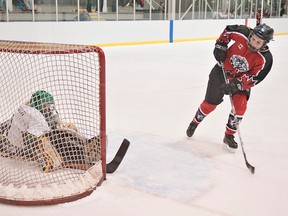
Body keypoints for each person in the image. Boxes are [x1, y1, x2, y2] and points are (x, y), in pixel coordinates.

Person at [186, 23, 274, 152]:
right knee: (210, 104)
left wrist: (236, 84)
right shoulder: (243, 32)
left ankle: (229, 135)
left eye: (258, 42)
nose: (253, 43)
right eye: (253, 38)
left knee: (240, 107)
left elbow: (255, 78)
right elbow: (228, 30)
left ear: (264, 44)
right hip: (221, 72)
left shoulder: (266, 59)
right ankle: (195, 122)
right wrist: (221, 44)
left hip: (240, 81)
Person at [0, 90, 99, 172]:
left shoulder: (30, 107)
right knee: (56, 141)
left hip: (11, 131)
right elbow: (30, 138)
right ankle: (83, 151)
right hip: (16, 147)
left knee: (58, 134)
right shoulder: (36, 117)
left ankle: (86, 146)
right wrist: (45, 158)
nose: (49, 108)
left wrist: (61, 125)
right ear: (38, 103)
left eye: (50, 105)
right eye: (46, 105)